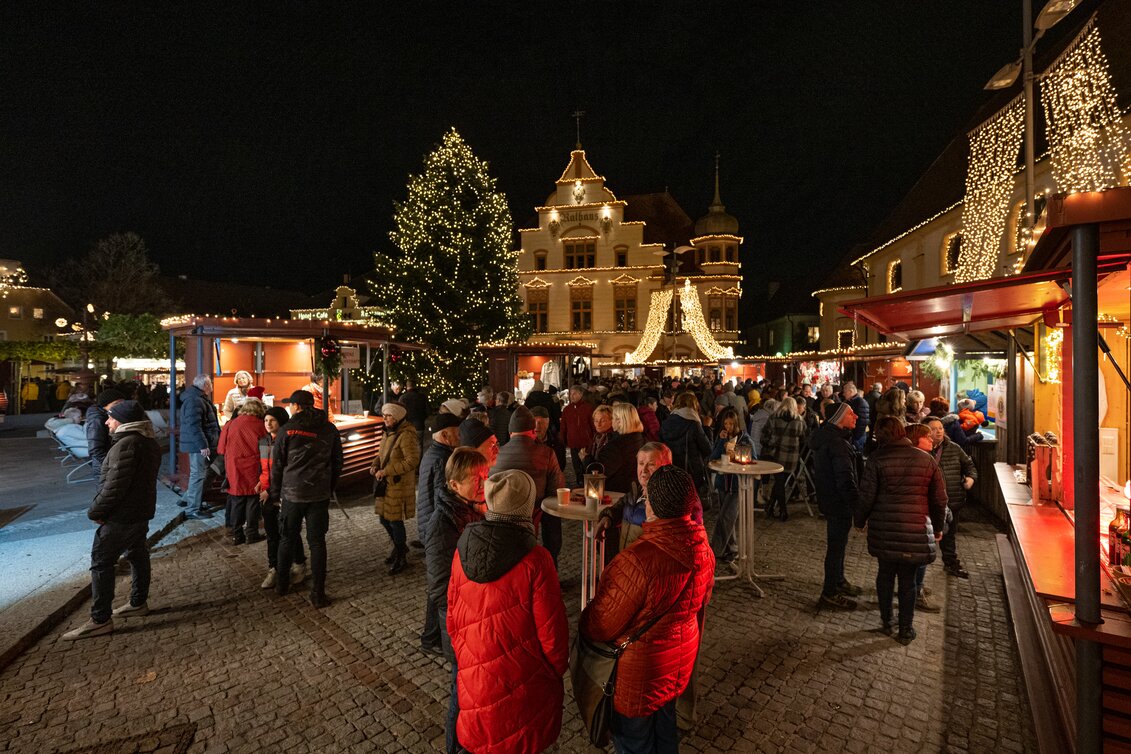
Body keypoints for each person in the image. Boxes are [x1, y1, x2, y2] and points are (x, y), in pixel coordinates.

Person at [580, 465, 715, 752]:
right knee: (665, 732)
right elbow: (702, 600)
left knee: (634, 742)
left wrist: (585, 618)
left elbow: (602, 624)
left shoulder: (638, 560)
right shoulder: (703, 546)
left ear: (652, 505)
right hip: (677, 663)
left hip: (639, 676)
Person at [447, 469, 569, 754]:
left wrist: (469, 658)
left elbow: (452, 617)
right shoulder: (537, 560)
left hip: (474, 677)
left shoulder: (461, 550)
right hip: (524, 682)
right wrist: (554, 671)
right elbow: (553, 634)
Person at [63, 401, 161, 639]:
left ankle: (100, 619)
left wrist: (96, 512)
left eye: (111, 417)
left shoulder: (127, 444)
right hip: (139, 512)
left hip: (122, 515)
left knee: (101, 562)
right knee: (137, 554)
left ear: (124, 421)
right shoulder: (146, 442)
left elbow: (114, 487)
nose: (107, 422)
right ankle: (138, 602)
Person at [855, 417, 947, 644]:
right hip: (915, 529)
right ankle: (906, 629)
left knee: (885, 574)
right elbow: (939, 500)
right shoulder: (926, 460)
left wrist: (859, 521)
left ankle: (887, 621)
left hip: (885, 527)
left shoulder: (877, 459)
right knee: (908, 581)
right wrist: (937, 527)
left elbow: (866, 496)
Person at [426, 448, 489, 746]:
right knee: (460, 695)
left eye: (486, 477)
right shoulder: (443, 523)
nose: (483, 484)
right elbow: (439, 588)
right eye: (476, 479)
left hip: (473, 621)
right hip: (458, 623)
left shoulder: (471, 509)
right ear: (453, 485)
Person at [270, 389, 344, 608]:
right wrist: (328, 487)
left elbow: (278, 466)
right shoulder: (329, 428)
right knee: (317, 543)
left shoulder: (288, 430)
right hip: (319, 495)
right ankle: (318, 594)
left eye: (291, 405)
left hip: (293, 494)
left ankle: (282, 585)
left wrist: (275, 494)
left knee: (287, 539)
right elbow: (338, 461)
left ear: (297, 406)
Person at [491, 405, 565, 568]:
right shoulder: (546, 453)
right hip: (535, 513)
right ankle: (549, 571)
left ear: (511, 433)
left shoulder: (497, 454)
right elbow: (557, 488)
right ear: (532, 431)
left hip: (501, 515)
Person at [414, 412, 462, 654]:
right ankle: (431, 637)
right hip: (436, 529)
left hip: (430, 526)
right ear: (445, 435)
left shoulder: (436, 453)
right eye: (457, 432)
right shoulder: (441, 459)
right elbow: (439, 498)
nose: (460, 437)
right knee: (440, 586)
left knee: (438, 584)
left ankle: (430, 636)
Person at [810, 402, 863, 610]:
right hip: (838, 501)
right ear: (840, 418)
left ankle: (838, 580)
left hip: (830, 499)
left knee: (838, 546)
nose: (856, 417)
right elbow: (845, 479)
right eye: (851, 414)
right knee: (836, 547)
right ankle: (829, 592)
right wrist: (856, 505)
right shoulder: (837, 443)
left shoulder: (831, 438)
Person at [257, 406, 306, 590]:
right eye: (266, 421)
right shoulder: (264, 442)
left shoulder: (287, 441)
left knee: (289, 531)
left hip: (283, 493)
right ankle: (274, 568)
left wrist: (269, 490)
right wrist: (261, 483)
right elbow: (264, 469)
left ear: (281, 422)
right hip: (267, 493)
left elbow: (286, 471)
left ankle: (298, 563)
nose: (268, 424)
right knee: (272, 534)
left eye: (272, 421)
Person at [371, 402, 421, 575]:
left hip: (397, 485)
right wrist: (375, 465)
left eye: (389, 415)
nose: (385, 419)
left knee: (395, 521)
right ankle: (399, 549)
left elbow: (412, 460)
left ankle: (401, 556)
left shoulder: (406, 435)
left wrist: (387, 471)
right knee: (384, 519)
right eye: (384, 415)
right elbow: (381, 454)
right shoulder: (388, 433)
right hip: (386, 484)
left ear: (398, 417)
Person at [924, 416, 976, 579]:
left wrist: (970, 478)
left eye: (940, 428)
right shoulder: (921, 449)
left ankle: (951, 563)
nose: (938, 431)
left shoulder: (954, 448)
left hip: (952, 499)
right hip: (928, 502)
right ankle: (920, 571)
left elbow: (969, 466)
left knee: (950, 535)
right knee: (925, 537)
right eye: (933, 429)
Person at [218, 397, 268, 545]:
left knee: (237, 500)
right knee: (253, 500)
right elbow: (266, 449)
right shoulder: (261, 425)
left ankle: (237, 535)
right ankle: (251, 534)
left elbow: (221, 448)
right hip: (253, 466)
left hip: (234, 466)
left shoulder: (230, 424)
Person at [708, 408, 749, 570]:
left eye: (731, 424)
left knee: (725, 517)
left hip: (736, 484)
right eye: (726, 423)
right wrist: (720, 442)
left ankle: (715, 550)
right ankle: (732, 549)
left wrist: (736, 452)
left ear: (736, 424)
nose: (728, 427)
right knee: (727, 517)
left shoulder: (744, 438)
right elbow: (713, 457)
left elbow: (752, 457)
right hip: (723, 482)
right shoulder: (722, 437)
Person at [179, 374, 221, 520]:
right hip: (200, 445)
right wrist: (203, 445)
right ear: (205, 385)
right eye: (210, 384)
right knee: (198, 475)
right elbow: (194, 425)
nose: (212, 387)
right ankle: (192, 509)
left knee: (210, 470)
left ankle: (189, 500)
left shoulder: (198, 398)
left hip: (205, 443)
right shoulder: (195, 400)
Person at [659, 392, 712, 504]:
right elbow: (708, 449)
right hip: (691, 471)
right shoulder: (693, 423)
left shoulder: (666, 422)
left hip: (671, 469)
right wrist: (707, 428)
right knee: (692, 505)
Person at [760, 397, 806, 521]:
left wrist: (770, 442)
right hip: (791, 458)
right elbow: (803, 438)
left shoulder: (774, 418)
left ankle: (782, 509)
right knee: (780, 482)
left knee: (779, 482)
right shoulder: (800, 421)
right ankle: (774, 508)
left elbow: (763, 436)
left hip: (776, 455)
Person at [596, 403, 647, 496]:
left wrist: (586, 458)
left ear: (620, 421)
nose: (612, 422)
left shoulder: (616, 445)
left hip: (615, 493)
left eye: (613, 418)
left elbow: (600, 471)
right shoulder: (640, 439)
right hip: (634, 490)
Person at [85, 388, 125, 480]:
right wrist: (112, 466)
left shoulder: (112, 415)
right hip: (104, 468)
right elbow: (95, 449)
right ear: (104, 405)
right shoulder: (98, 420)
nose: (120, 406)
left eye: (122, 403)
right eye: (116, 403)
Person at [560, 385, 595, 483]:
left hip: (586, 443)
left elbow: (593, 426)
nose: (572, 396)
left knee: (586, 466)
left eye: (574, 393)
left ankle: (586, 484)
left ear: (581, 394)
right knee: (576, 466)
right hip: (573, 443)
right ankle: (579, 483)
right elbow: (563, 426)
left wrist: (593, 439)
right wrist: (562, 440)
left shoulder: (588, 408)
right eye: (571, 394)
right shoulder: (567, 410)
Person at [531, 405, 567, 474]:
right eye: (534, 422)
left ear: (547, 423)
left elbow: (560, 466)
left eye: (540, 422)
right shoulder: (525, 442)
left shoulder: (557, 442)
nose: (537, 426)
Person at [839, 381, 870, 452]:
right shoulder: (849, 401)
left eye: (845, 392)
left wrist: (855, 437)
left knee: (857, 456)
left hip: (857, 437)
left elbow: (862, 422)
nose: (843, 394)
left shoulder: (860, 402)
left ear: (850, 391)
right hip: (851, 436)